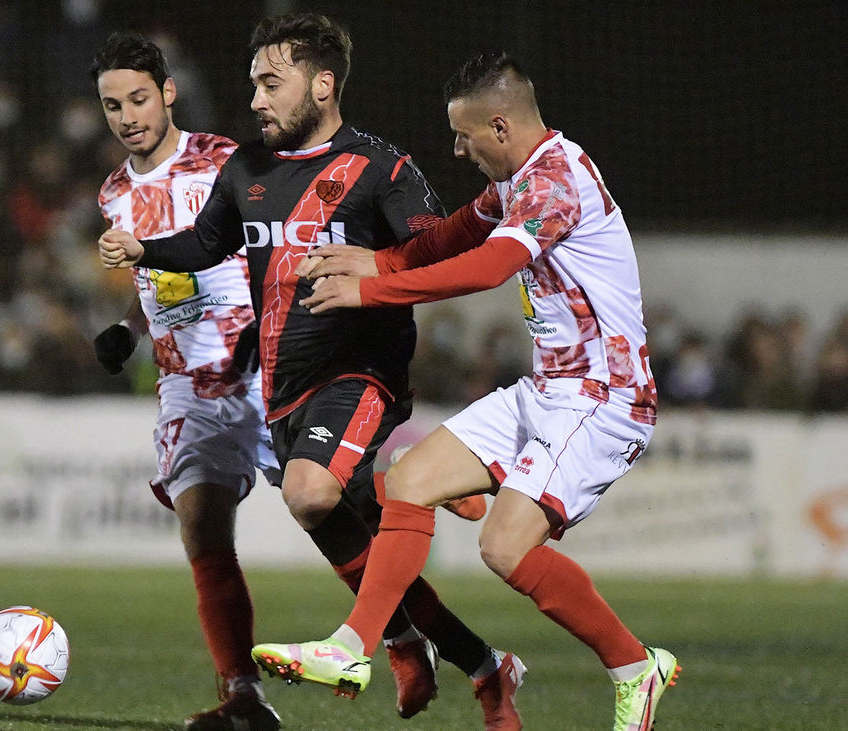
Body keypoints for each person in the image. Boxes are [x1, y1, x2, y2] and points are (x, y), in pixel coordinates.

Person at [99, 15, 517, 727]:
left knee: (311, 492)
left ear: (322, 86)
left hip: (353, 371)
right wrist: (143, 253)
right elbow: (204, 243)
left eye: (270, 83)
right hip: (277, 386)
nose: (256, 100)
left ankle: (415, 503)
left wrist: (383, 265)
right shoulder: (244, 173)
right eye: (253, 84)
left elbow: (435, 250)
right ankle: (476, 659)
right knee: (335, 519)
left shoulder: (377, 167)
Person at [251, 52, 680, 731]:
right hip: (550, 388)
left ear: (501, 127)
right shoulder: (518, 178)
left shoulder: (555, 182)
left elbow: (486, 268)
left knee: (503, 548)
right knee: (410, 478)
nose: (457, 148)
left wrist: (370, 289)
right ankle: (352, 647)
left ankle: (634, 664)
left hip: (604, 398)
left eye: (464, 134)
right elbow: (456, 234)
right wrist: (381, 258)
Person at [90, 32, 281, 730]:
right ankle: (244, 696)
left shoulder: (225, 160)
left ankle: (418, 631)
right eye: (113, 104)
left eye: (139, 98)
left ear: (168, 92)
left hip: (259, 362)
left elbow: (268, 249)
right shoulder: (113, 192)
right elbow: (154, 279)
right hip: (184, 380)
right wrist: (131, 331)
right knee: (202, 527)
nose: (127, 115)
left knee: (335, 507)